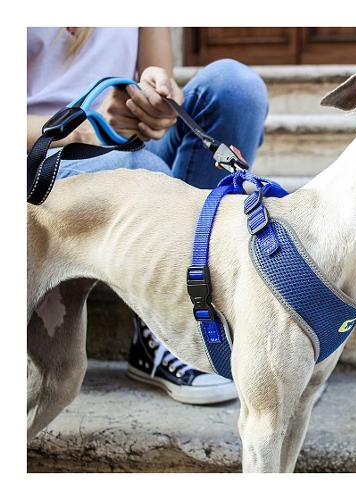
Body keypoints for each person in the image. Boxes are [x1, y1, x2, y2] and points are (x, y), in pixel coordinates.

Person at [28, 27, 268, 404]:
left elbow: (158, 80)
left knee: (236, 86)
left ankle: (182, 321)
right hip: (42, 156)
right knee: (145, 172)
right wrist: (85, 128)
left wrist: (157, 103)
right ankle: (169, 328)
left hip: (127, 146)